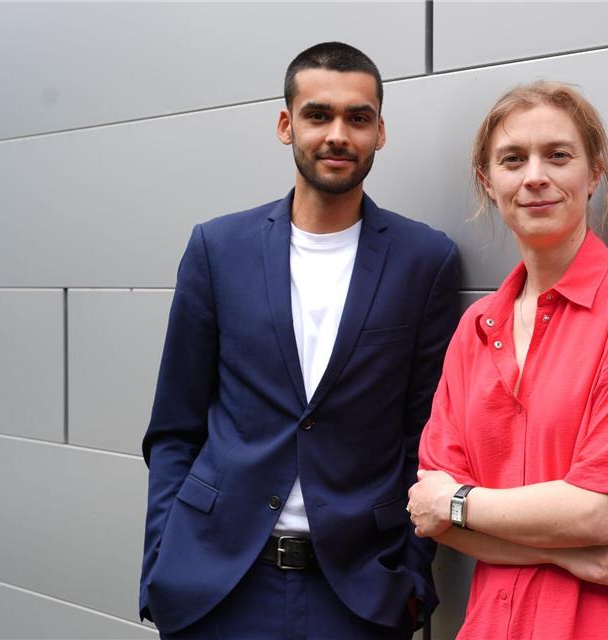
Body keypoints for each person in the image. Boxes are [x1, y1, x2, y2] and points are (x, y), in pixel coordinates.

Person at [139, 42, 461, 639]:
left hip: (359, 594)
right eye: (318, 115)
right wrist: (162, 565)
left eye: (357, 118)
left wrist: (410, 582)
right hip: (219, 588)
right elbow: (174, 427)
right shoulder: (217, 249)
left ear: (380, 131)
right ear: (287, 124)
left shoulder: (426, 261)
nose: (338, 134)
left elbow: (428, 434)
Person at [408, 81, 608, 639]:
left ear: (593, 175)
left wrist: (461, 502)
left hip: (604, 620)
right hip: (495, 622)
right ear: (488, 183)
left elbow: (596, 514)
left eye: (558, 155)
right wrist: (562, 555)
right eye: (512, 159)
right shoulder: (476, 328)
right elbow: (429, 513)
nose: (534, 176)